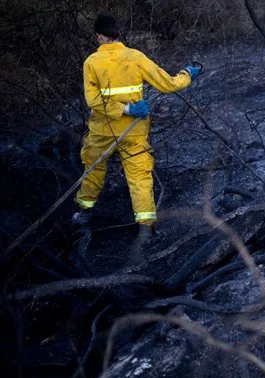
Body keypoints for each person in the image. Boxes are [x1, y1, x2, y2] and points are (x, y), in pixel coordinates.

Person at [73, 12, 199, 242]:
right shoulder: (136, 57)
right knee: (140, 176)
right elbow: (169, 84)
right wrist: (188, 75)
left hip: (102, 131)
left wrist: (121, 109)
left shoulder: (91, 62)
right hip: (134, 130)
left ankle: (84, 214)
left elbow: (93, 101)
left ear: (99, 36)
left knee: (93, 170)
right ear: (117, 34)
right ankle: (145, 228)